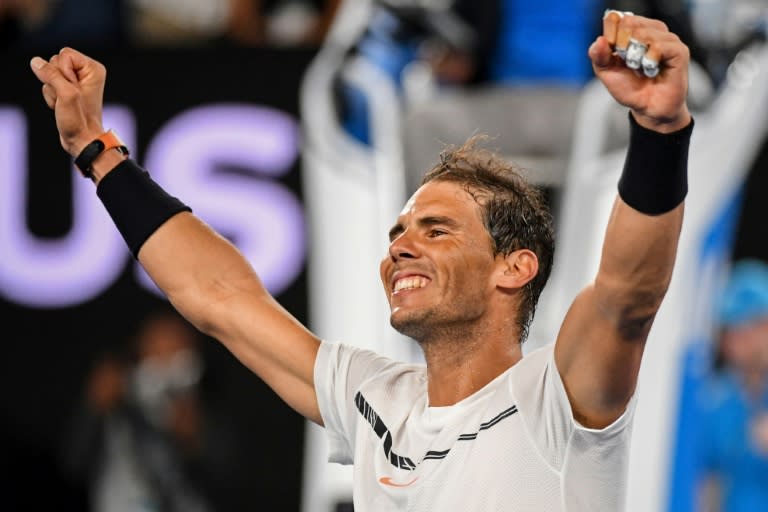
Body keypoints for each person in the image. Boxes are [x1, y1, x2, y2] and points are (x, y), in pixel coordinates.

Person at [30, 10, 694, 510]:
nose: (400, 245)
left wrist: (660, 133)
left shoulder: (559, 397)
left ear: (512, 268)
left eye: (436, 230)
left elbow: (627, 294)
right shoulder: (376, 399)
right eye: (399, 230)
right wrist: (96, 149)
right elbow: (222, 299)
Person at [60, 307, 238, 512]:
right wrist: (93, 409)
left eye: (177, 352)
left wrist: (195, 439)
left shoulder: (204, 405)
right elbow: (74, 464)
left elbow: (230, 478)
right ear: (139, 350)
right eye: (158, 351)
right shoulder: (116, 401)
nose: (166, 364)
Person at [694, 259, 768, 512]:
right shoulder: (716, 398)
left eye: (744, 330)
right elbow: (704, 479)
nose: (734, 342)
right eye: (729, 331)